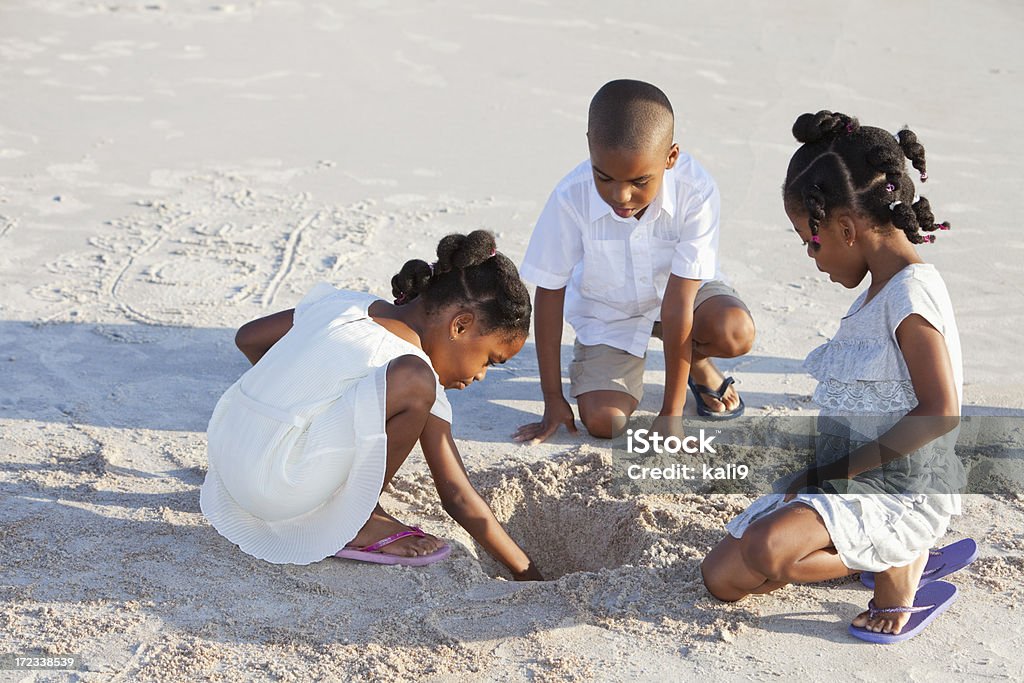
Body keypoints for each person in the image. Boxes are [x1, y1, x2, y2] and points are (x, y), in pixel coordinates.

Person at [701, 111, 973, 643]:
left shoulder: (911, 298)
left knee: (766, 551)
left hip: (897, 486)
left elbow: (940, 411)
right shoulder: (876, 293)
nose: (811, 255)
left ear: (846, 228)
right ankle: (870, 555)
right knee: (723, 577)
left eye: (811, 239)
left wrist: (840, 474)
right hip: (848, 474)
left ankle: (902, 563)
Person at [200, 230, 543, 580]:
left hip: (227, 456)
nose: (482, 375)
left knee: (363, 401)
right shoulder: (413, 369)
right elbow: (456, 495)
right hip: (272, 492)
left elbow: (248, 337)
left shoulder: (344, 304)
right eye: (489, 360)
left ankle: (300, 472)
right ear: (460, 325)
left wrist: (296, 398)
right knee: (414, 382)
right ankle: (361, 520)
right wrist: (525, 569)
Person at [514, 79, 755, 444]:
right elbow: (549, 291)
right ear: (590, 148)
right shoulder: (569, 195)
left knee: (734, 331)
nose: (620, 195)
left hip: (687, 301)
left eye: (640, 180)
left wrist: (671, 413)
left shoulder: (697, 190)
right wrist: (553, 397)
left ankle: (697, 363)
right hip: (611, 314)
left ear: (670, 158)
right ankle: (666, 360)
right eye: (604, 177)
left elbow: (679, 304)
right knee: (603, 422)